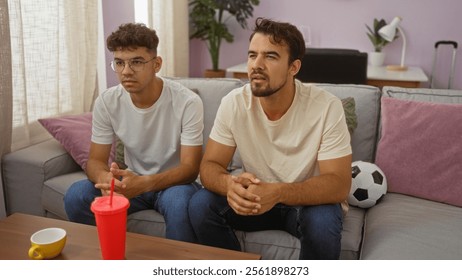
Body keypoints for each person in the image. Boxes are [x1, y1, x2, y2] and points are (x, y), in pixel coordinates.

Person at [188, 17, 352, 259]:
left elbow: (338, 184)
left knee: (323, 219)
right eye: (252, 55)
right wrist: (229, 185)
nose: (257, 64)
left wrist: (277, 192)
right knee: (201, 204)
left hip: (305, 203)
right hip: (256, 200)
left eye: (271, 56)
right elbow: (209, 166)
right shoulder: (234, 103)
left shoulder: (326, 107)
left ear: (293, 67)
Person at [64, 23, 204, 243]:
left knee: (180, 203)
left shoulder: (187, 102)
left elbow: (190, 169)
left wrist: (145, 183)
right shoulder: (107, 101)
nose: (126, 71)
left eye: (136, 62)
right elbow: (95, 161)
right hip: (129, 180)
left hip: (174, 185)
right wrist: (106, 179)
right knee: (77, 195)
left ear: (156, 64)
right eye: (119, 63)